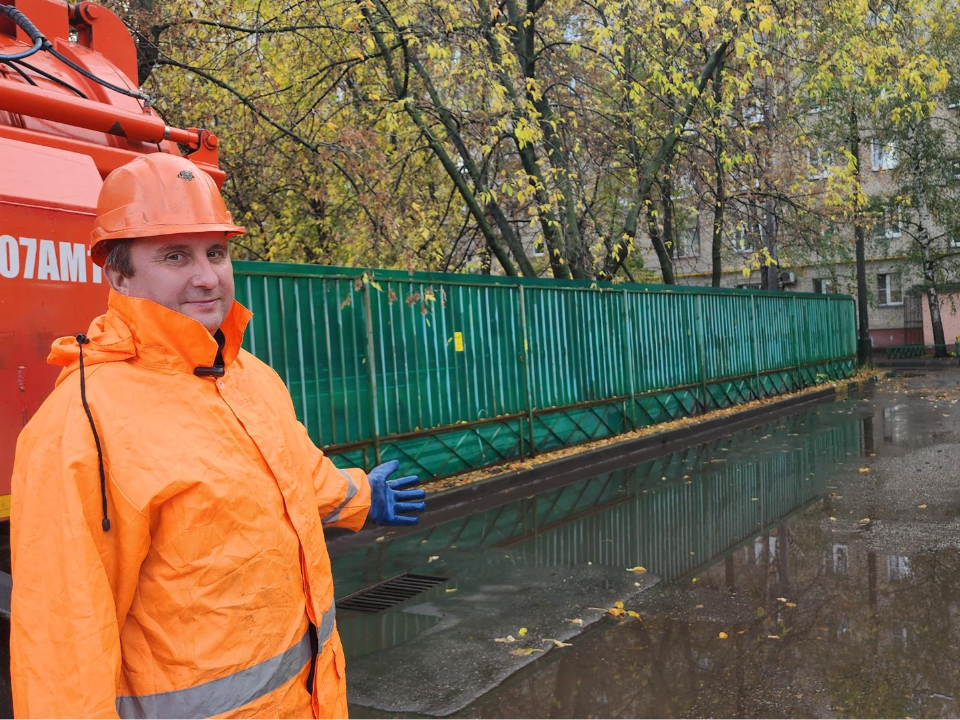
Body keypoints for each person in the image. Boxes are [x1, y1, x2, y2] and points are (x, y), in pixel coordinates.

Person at [9, 152, 426, 719]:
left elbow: (291, 476)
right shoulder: (81, 426)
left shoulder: (249, 377)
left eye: (216, 252)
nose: (207, 276)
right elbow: (63, 649)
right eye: (175, 256)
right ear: (117, 274)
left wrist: (360, 496)